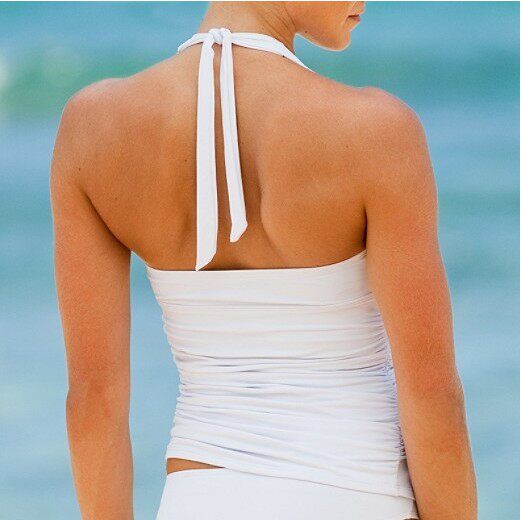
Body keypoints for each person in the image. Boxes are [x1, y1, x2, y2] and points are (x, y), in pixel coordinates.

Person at [51, 2, 477, 519]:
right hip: (357, 494)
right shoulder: (377, 130)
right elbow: (432, 397)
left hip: (197, 499)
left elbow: (94, 402)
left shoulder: (91, 127)